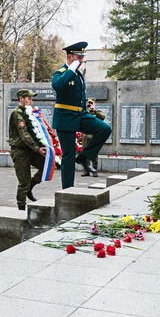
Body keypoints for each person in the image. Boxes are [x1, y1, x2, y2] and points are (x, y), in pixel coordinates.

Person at [52, 42, 112, 189]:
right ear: (70, 57)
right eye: (79, 57)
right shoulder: (61, 72)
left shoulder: (79, 74)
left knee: (104, 129)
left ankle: (84, 156)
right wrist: (70, 70)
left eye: (82, 57)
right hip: (65, 117)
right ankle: (67, 189)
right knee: (68, 155)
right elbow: (58, 86)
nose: (81, 60)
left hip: (81, 114)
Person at [8, 89, 47, 210]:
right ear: (21, 99)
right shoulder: (17, 113)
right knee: (23, 182)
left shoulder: (28, 113)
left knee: (46, 166)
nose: (31, 100)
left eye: (31, 98)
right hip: (20, 151)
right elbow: (24, 134)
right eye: (28, 98)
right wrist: (37, 148)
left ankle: (30, 187)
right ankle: (21, 208)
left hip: (30, 149)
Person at [80, 99, 105, 177]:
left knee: (94, 153)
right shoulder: (85, 112)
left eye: (91, 103)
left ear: (94, 104)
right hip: (85, 135)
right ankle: (86, 170)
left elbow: (102, 117)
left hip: (93, 135)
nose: (89, 104)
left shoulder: (97, 112)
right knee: (85, 153)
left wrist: (94, 111)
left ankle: (94, 170)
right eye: (88, 103)